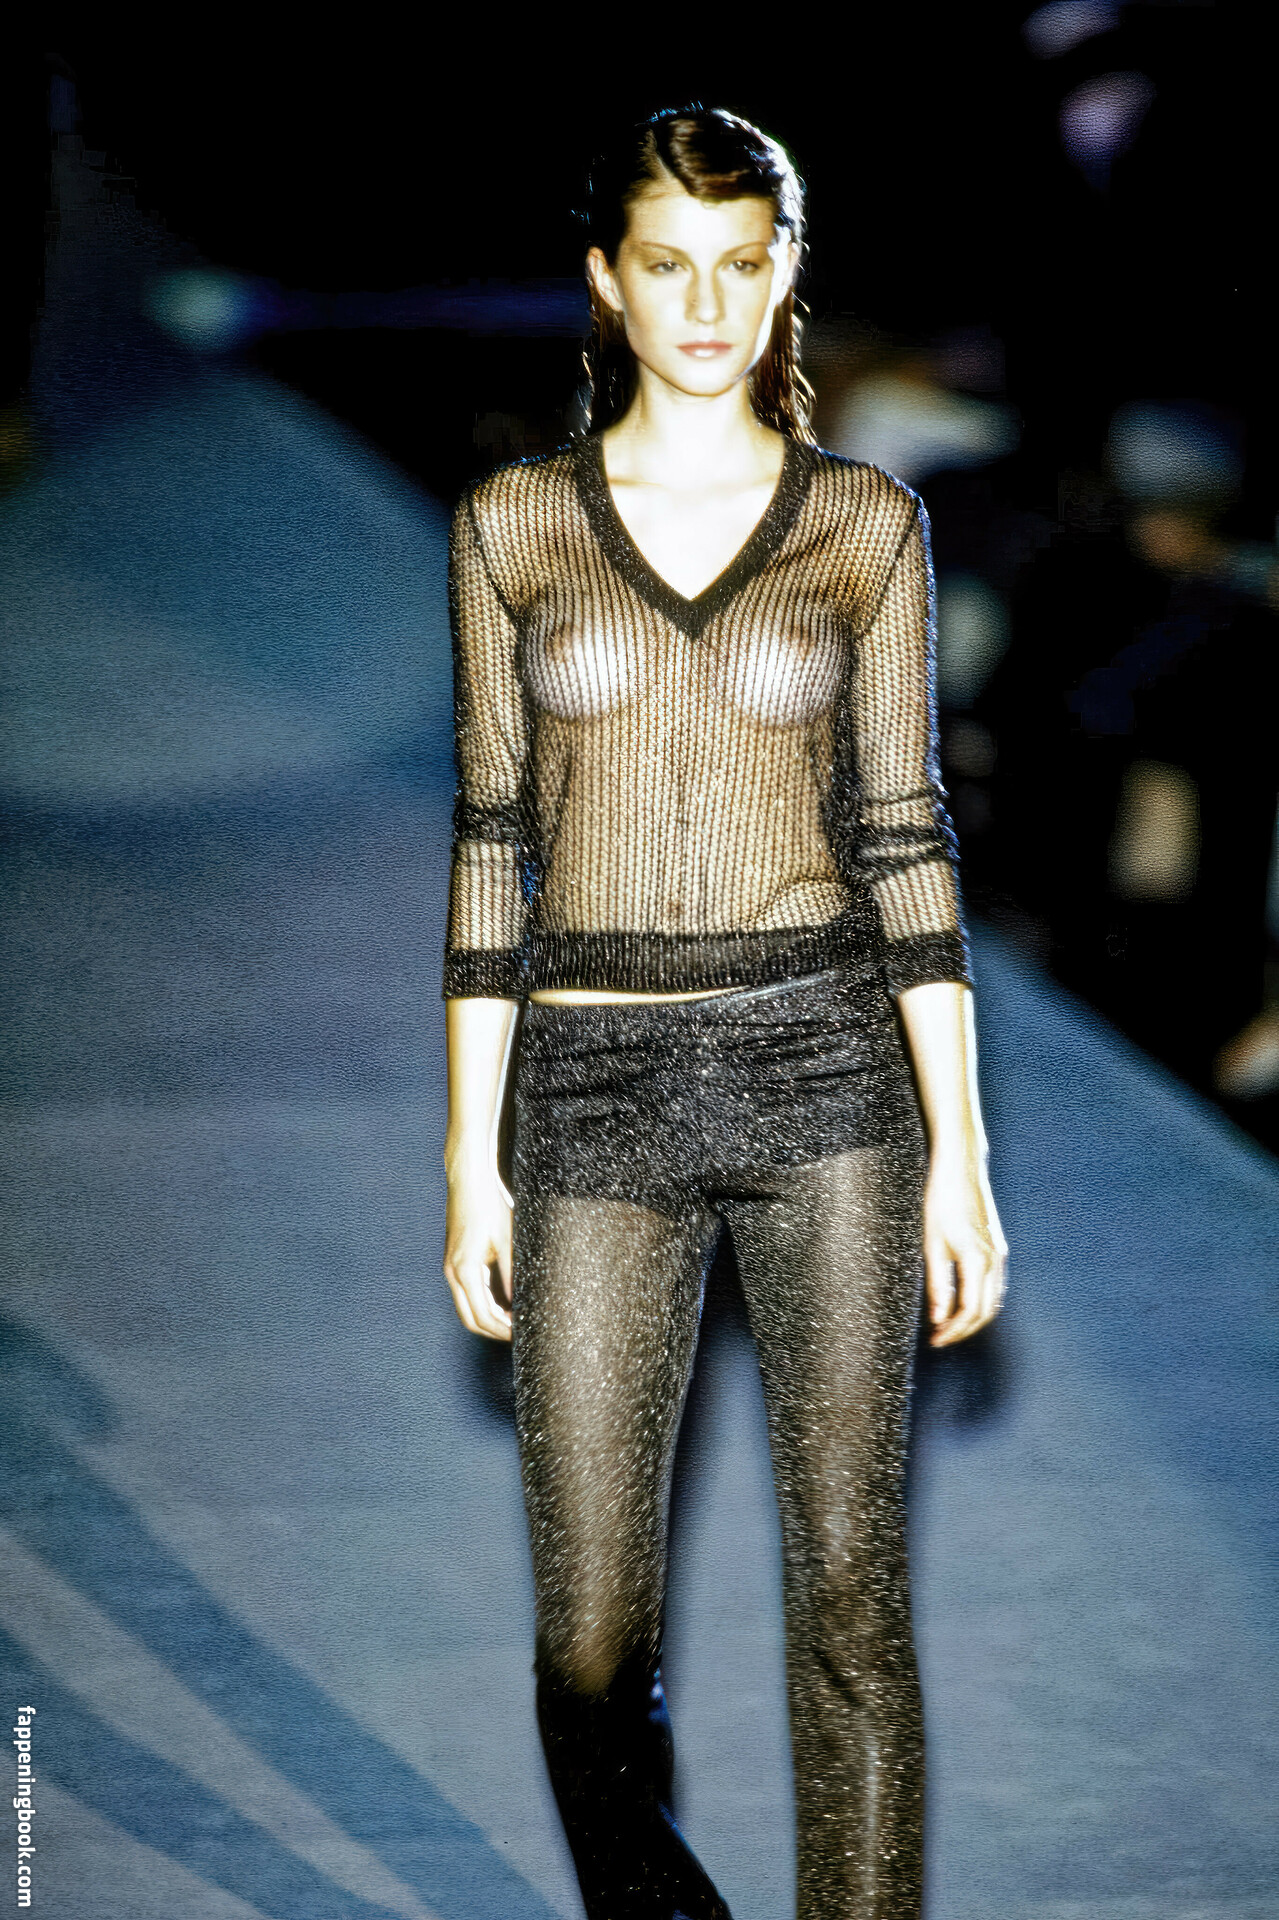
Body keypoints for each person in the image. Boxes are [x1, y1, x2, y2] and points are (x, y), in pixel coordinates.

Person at [441, 105, 1007, 1920]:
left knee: (850, 1600)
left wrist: (959, 1154)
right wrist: (468, 1155)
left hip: (827, 1075)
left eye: (741, 266)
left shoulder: (863, 526)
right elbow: (492, 842)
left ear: (784, 280)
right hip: (589, 1087)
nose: (706, 305)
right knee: (589, 1632)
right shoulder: (517, 526)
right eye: (668, 266)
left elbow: (906, 837)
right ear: (608, 282)